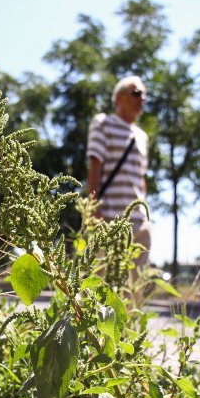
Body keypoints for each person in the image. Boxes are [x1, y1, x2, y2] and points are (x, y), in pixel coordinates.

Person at [87, 76, 151, 266]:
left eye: (144, 95)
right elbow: (95, 165)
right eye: (136, 93)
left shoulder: (142, 136)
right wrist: (93, 209)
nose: (142, 99)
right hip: (108, 220)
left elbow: (141, 179)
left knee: (134, 290)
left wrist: (147, 217)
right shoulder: (103, 123)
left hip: (139, 224)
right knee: (102, 286)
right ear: (118, 98)